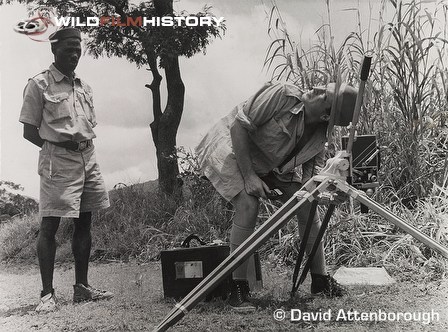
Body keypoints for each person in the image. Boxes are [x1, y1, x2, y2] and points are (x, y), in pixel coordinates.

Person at [196, 81, 358, 311]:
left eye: (323, 95)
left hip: (267, 165)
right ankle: (238, 287)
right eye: (323, 86)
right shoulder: (282, 94)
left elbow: (310, 186)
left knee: (305, 205)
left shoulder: (319, 138)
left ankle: (320, 280)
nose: (316, 88)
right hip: (229, 147)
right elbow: (237, 127)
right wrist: (250, 177)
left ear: (325, 116)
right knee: (248, 204)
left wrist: (330, 195)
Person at [19, 28, 113, 313]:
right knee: (50, 226)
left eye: (78, 48)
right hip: (58, 160)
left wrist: (78, 149)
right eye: (68, 48)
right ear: (54, 50)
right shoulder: (39, 84)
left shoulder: (84, 86)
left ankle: (82, 288)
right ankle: (47, 295)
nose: (74, 54)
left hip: (88, 157)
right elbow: (29, 130)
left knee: (85, 221)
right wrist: (56, 148)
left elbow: (87, 125)